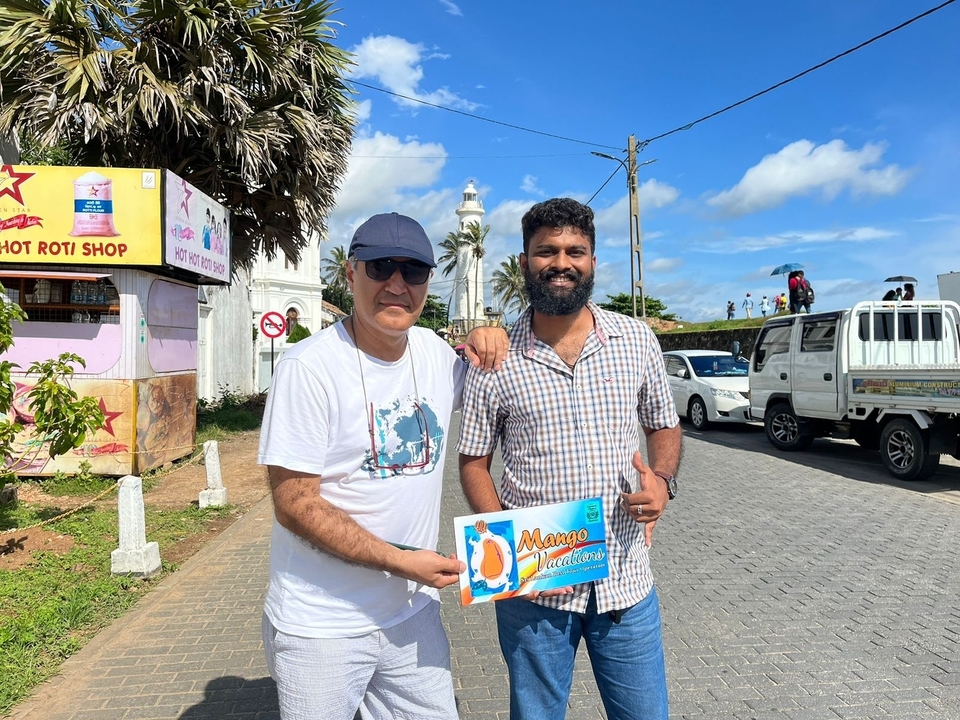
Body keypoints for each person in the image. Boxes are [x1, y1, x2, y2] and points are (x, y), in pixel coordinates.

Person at [257, 212, 507, 720]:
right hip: (321, 625)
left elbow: (503, 398)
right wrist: (399, 561)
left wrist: (489, 335)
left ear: (428, 282)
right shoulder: (308, 367)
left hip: (412, 612)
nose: (396, 284)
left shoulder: (437, 354)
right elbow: (295, 504)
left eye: (412, 271)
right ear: (351, 274)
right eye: (379, 268)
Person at [458, 197, 682, 719]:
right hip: (534, 592)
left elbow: (664, 425)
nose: (561, 263)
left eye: (574, 251)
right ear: (524, 262)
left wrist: (662, 481)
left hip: (625, 582)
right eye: (547, 251)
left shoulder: (635, 339)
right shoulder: (494, 359)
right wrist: (502, 553)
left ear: (593, 261)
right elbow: (473, 463)